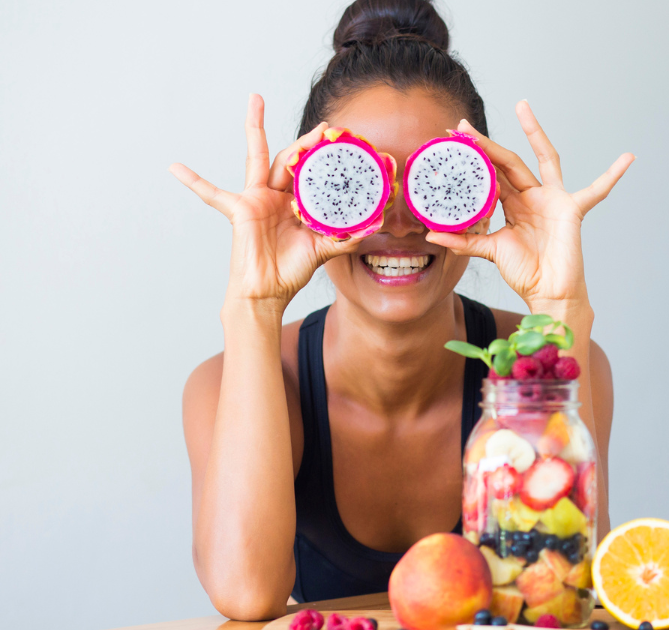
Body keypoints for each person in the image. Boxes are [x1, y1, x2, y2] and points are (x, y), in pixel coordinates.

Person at [169, 0, 633, 619]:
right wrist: (253, 304)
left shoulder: (561, 354)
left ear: (489, 190)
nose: (399, 222)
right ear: (301, 199)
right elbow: (245, 593)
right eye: (351, 182)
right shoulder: (226, 385)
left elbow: (556, 589)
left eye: (438, 183)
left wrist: (559, 306)